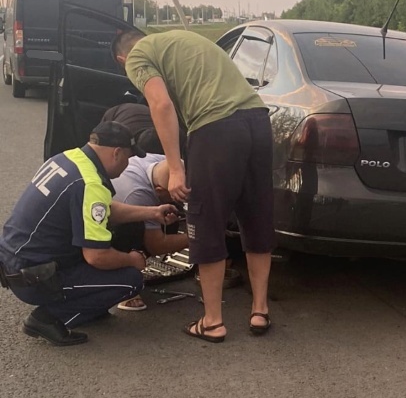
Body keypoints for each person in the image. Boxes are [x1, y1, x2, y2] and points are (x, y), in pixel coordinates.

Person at [111, 29, 275, 343]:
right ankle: (260, 310)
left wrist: (175, 168)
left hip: (216, 129)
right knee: (256, 215)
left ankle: (212, 321)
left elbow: (160, 105)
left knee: (205, 218)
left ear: (122, 59)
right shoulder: (182, 40)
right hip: (257, 120)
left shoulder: (138, 56)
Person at [0, 122, 178, 346]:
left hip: (16, 261)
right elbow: (96, 257)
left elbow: (105, 209)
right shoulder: (89, 184)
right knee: (130, 281)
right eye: (128, 157)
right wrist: (133, 259)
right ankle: (47, 319)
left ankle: (89, 305)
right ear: (116, 153)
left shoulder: (68, 158)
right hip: (36, 277)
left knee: (122, 239)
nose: (128, 164)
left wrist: (151, 212)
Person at [111, 153, 243, 311]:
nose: (183, 199)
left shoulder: (167, 163)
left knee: (169, 212)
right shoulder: (138, 195)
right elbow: (156, 245)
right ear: (159, 190)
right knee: (136, 229)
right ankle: (124, 285)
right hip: (109, 231)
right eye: (177, 195)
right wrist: (198, 236)